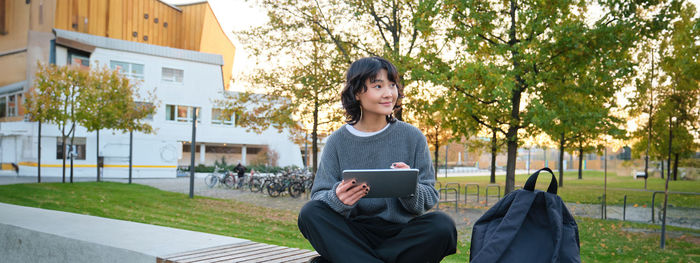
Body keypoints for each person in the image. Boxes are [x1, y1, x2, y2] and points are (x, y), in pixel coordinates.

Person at [297, 57, 457, 263]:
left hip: (401, 234)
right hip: (354, 234)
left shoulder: (413, 136)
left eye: (392, 85)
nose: (388, 93)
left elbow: (428, 198)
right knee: (310, 213)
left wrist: (409, 187)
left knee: (442, 225)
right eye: (378, 86)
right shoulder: (337, 141)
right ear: (356, 93)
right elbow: (319, 197)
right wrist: (337, 198)